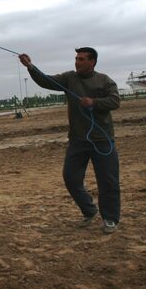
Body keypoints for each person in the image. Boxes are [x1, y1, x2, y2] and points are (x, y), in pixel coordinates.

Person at [19, 47, 121, 234]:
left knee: (108, 181)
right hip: (78, 140)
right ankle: (89, 210)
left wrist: (94, 102)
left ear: (92, 62)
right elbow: (46, 81)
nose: (77, 62)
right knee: (71, 178)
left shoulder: (104, 80)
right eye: (76, 58)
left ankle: (110, 219)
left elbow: (115, 101)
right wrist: (30, 67)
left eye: (81, 59)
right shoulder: (69, 78)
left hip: (102, 140)